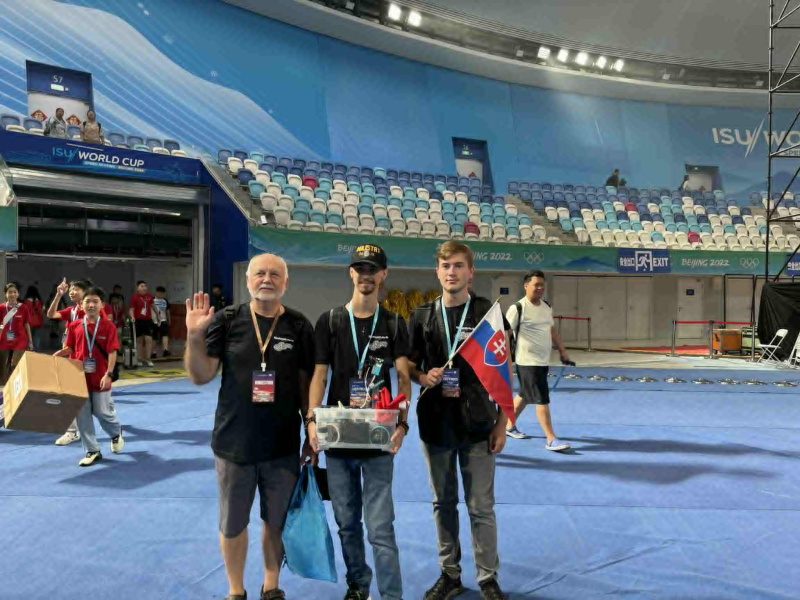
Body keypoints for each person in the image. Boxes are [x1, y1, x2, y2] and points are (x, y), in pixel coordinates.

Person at [184, 253, 315, 600]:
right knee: (233, 523)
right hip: (233, 445)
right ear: (247, 280)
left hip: (282, 445)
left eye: (275, 274)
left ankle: (271, 585)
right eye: (260, 273)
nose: (267, 279)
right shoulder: (227, 320)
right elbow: (200, 375)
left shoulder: (300, 326)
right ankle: (235, 590)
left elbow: (306, 386)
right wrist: (195, 336)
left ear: (286, 283)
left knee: (276, 521)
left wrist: (310, 430)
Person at [306, 244, 411, 600]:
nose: (366, 275)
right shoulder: (331, 320)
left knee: (380, 528)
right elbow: (319, 375)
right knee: (347, 523)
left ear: (383, 275)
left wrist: (402, 425)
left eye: (373, 269)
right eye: (360, 268)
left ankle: (392, 595)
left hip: (379, 437)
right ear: (351, 273)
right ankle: (358, 584)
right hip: (338, 437)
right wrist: (311, 420)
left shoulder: (394, 323)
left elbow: (404, 379)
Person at [407, 241, 509, 600]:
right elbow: (408, 365)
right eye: (446, 266)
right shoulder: (421, 316)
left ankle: (487, 578)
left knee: (481, 507)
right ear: (437, 272)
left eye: (459, 265)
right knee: (443, 502)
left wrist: (502, 424)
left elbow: (503, 369)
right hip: (435, 423)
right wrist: (423, 377)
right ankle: (449, 574)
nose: (452, 272)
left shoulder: (486, 314)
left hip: (478, 424)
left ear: (471, 272)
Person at [55, 287, 123, 467]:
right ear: (82, 304)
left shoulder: (108, 326)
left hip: (101, 377)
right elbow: (71, 347)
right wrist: (60, 354)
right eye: (87, 301)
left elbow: (112, 352)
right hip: (79, 378)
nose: (91, 305)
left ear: (102, 305)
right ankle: (92, 450)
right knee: (82, 415)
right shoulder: (75, 325)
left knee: (102, 412)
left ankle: (115, 433)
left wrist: (108, 374)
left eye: (95, 301)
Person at [505, 271, 571, 451]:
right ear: (526, 285)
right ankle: (551, 438)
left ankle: (508, 425)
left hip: (543, 361)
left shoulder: (546, 306)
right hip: (527, 362)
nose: (540, 288)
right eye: (536, 284)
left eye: (542, 284)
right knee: (542, 398)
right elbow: (505, 334)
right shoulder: (518, 308)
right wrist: (502, 358)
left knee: (525, 395)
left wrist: (563, 351)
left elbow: (552, 330)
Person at [0, 283, 33, 385]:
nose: (12, 294)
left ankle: (15, 386)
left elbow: (26, 324)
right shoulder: (1, 308)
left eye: (15, 292)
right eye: (10, 292)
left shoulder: (23, 308)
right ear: (6, 294)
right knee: (4, 366)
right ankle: (4, 387)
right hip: (4, 340)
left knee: (15, 364)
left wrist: (30, 341)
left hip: (20, 340)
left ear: (18, 294)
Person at [129, 280, 155, 368]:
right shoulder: (134, 297)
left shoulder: (149, 296)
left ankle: (148, 358)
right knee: (139, 340)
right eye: (142, 286)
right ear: (137, 288)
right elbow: (131, 309)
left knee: (149, 339)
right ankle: (139, 359)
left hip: (148, 320)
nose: (144, 288)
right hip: (138, 320)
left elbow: (153, 306)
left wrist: (158, 315)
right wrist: (132, 317)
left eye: (145, 286)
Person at [23, 285, 44, 351]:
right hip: (37, 321)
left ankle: (29, 350)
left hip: (28, 322)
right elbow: (42, 311)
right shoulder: (39, 301)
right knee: (36, 337)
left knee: (28, 337)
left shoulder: (26, 301)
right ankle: (35, 351)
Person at [153, 286, 171, 358]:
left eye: (162, 293)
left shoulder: (165, 301)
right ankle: (154, 352)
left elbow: (168, 312)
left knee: (165, 335)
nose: (160, 294)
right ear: (156, 292)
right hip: (154, 321)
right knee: (154, 337)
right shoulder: (152, 300)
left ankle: (165, 350)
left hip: (163, 321)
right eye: (159, 293)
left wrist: (169, 320)